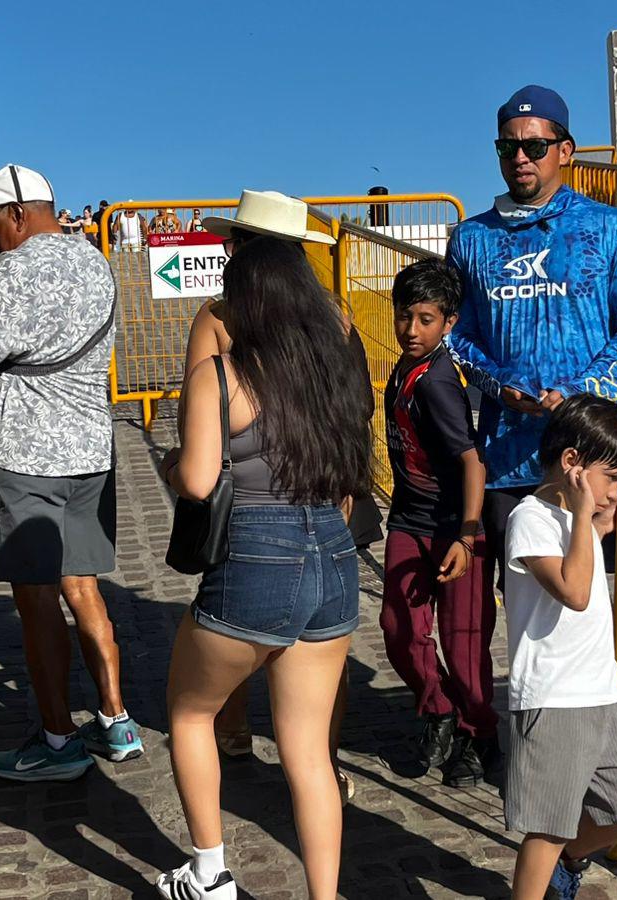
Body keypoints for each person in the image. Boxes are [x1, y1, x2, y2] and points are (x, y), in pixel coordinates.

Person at [157, 237, 373, 900]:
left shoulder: (220, 374)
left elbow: (196, 481)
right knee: (309, 752)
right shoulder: (329, 373)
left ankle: (209, 872)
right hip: (334, 555)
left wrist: (168, 462)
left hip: (257, 554)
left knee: (191, 713)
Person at [0, 165, 140, 781]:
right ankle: (116, 720)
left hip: (29, 455)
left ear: (16, 212)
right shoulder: (94, 260)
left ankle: (59, 740)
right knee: (84, 586)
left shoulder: (18, 270)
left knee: (37, 602)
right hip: (91, 447)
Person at [190, 189, 370, 800]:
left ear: (243, 251)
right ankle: (330, 760)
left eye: (231, 242)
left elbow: (206, 433)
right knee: (320, 664)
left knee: (231, 625)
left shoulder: (218, 319)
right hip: (329, 501)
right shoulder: (338, 321)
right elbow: (354, 411)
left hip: (252, 507)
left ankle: (235, 731)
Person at [445, 85, 617, 595]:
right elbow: (456, 334)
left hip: (591, 459)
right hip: (508, 458)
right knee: (527, 608)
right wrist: (499, 385)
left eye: (534, 146)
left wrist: (578, 395)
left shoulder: (610, 228)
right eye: (507, 146)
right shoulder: (470, 239)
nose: (520, 157)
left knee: (597, 603)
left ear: (564, 150)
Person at [501, 395, 617, 900]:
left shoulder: (579, 520)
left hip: (601, 689)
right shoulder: (531, 518)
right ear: (572, 465)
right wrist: (588, 519)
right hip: (554, 694)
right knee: (548, 825)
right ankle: (540, 881)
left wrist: (595, 524)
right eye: (611, 478)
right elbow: (576, 591)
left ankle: (566, 863)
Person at [379, 259, 498, 787]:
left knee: (464, 641)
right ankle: (439, 707)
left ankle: (478, 734)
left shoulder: (439, 383)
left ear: (449, 322)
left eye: (426, 319)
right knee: (398, 627)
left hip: (455, 528)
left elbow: (472, 461)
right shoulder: (404, 369)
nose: (411, 330)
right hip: (410, 518)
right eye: (404, 317)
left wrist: (467, 537)